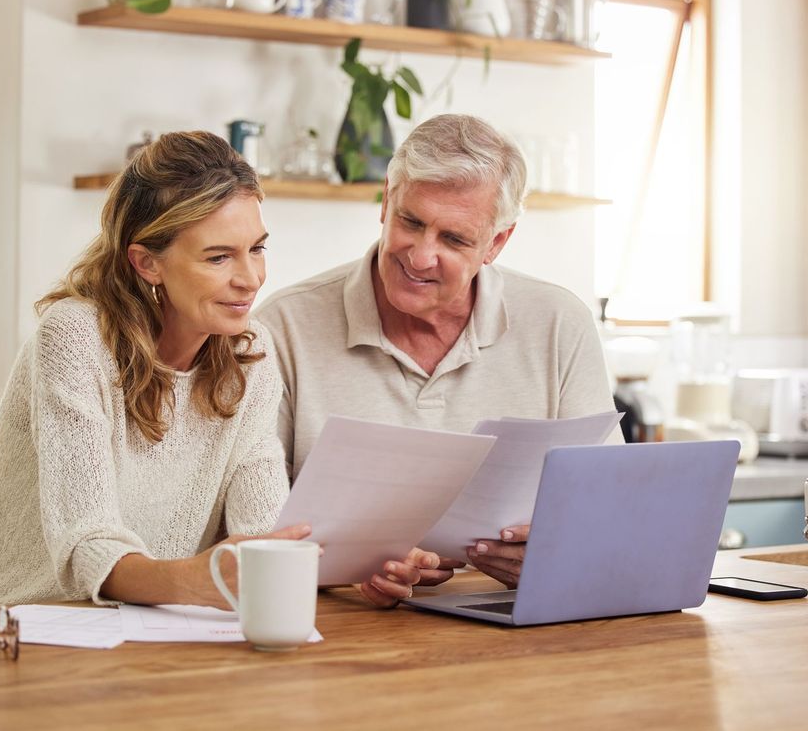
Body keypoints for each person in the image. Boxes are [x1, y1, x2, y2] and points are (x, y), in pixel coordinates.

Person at [0, 131, 425, 610]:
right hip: (6, 625)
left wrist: (349, 570)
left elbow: (265, 529)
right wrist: (193, 582)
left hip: (143, 635)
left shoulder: (249, 354)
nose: (250, 279)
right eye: (218, 257)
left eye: (256, 249)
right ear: (147, 262)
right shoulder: (74, 339)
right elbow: (87, 543)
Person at [256, 115, 620, 590]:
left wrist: (560, 548)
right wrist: (347, 566)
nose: (421, 256)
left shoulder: (559, 323)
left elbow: (608, 503)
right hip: (337, 623)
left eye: (454, 239)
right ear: (386, 201)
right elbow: (254, 523)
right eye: (411, 221)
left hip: (507, 618)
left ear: (496, 243)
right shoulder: (283, 325)